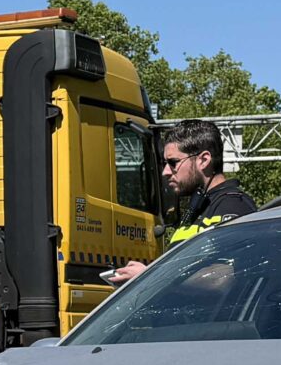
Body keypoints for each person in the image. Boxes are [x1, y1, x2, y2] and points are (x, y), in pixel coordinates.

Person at [107, 120, 258, 283]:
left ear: (203, 160)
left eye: (173, 163)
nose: (165, 172)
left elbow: (230, 276)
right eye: (165, 163)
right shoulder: (197, 209)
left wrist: (152, 278)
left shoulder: (234, 206)